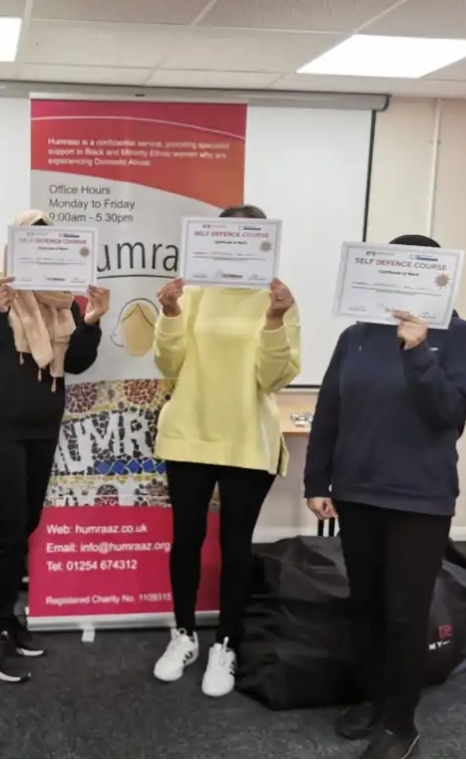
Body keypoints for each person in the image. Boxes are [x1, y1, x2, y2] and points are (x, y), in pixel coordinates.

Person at [304, 234, 466, 759]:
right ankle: (375, 699)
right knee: (367, 605)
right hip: (358, 492)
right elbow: (329, 411)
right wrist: (318, 481)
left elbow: (449, 414)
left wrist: (417, 350)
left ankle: (401, 724)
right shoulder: (356, 335)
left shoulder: (458, 336)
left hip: (419, 498)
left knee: (405, 613)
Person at [151, 204, 300, 697]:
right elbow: (168, 364)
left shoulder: (277, 299)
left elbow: (274, 378)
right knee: (186, 539)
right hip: (189, 432)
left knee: (236, 545)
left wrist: (274, 320)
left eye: (247, 237)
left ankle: (227, 643)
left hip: (247, 437)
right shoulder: (192, 293)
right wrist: (171, 314)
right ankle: (184, 634)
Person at [0, 210, 109, 684]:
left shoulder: (65, 303)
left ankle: (6, 616)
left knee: (25, 524)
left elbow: (77, 362)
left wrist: (93, 320)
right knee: (6, 531)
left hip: (41, 427)